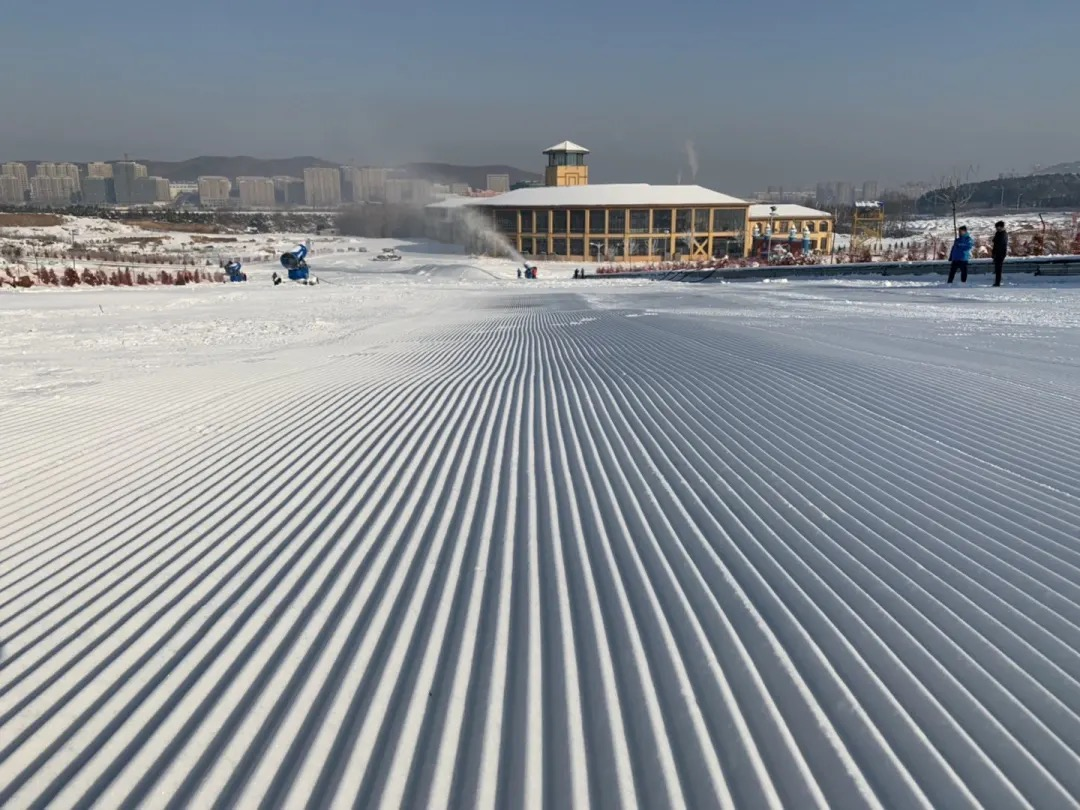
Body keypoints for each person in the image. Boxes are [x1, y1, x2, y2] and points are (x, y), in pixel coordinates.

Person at [992, 221, 1008, 287]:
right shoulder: (998, 233)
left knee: (998, 269)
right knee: (997, 268)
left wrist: (995, 254)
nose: (996, 228)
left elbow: (999, 244)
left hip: (1000, 253)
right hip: (997, 253)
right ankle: (997, 281)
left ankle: (997, 282)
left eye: (997, 227)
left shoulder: (1003, 234)